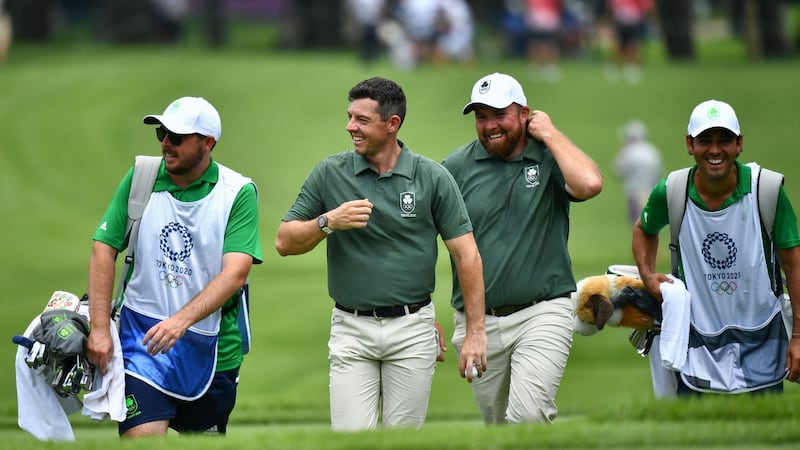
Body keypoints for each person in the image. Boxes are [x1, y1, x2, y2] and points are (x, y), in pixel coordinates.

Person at [275, 77, 487, 431]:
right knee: (351, 438)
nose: (350, 127)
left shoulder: (432, 177)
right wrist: (329, 222)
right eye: (349, 117)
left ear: (392, 124)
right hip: (351, 328)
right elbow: (284, 241)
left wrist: (475, 332)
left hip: (413, 328)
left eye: (361, 120)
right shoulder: (330, 173)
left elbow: (467, 256)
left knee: (402, 441)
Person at [86, 96, 262, 437]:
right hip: (141, 338)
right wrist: (100, 328)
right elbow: (103, 248)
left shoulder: (237, 192)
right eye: (162, 133)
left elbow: (235, 273)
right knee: (142, 438)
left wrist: (180, 322)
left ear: (207, 143)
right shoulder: (142, 177)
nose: (166, 143)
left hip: (214, 347)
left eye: (177, 137)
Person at [442, 72, 603, 424]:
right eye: (481, 117)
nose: (490, 125)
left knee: (528, 416)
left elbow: (590, 183)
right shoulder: (455, 168)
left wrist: (550, 134)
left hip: (543, 311)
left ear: (524, 114)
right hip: (478, 321)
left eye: (500, 114)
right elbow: (423, 240)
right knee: (499, 427)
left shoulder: (548, 157)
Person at [632, 99, 800, 395]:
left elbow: (794, 264)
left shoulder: (767, 189)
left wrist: (798, 335)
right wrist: (647, 275)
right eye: (705, 140)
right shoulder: (671, 190)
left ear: (739, 144)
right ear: (690, 144)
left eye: (724, 140)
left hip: (763, 338)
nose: (715, 150)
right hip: (696, 343)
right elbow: (644, 230)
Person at [613, 119, 662, 224]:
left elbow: (618, 171)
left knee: (637, 223)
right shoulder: (652, 151)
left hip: (634, 192)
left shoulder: (628, 152)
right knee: (649, 223)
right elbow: (658, 174)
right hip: (651, 192)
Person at [604, 0, 654, 84]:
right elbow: (612, 4)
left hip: (634, 22)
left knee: (633, 45)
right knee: (618, 46)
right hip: (621, 22)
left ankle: (632, 68)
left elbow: (647, 5)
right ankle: (612, 66)